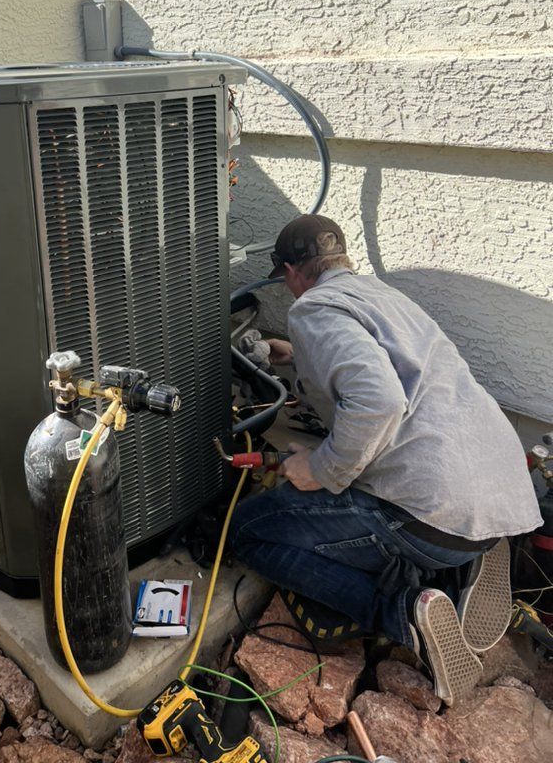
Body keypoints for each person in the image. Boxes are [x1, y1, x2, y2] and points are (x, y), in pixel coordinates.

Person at [230, 214, 541, 706]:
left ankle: (403, 614)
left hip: (430, 514)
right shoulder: (381, 295)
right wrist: (294, 354)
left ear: (290, 271)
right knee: (419, 509)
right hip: (493, 494)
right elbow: (383, 371)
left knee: (247, 532)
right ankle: (463, 566)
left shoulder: (312, 308)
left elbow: (378, 402)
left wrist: (320, 469)